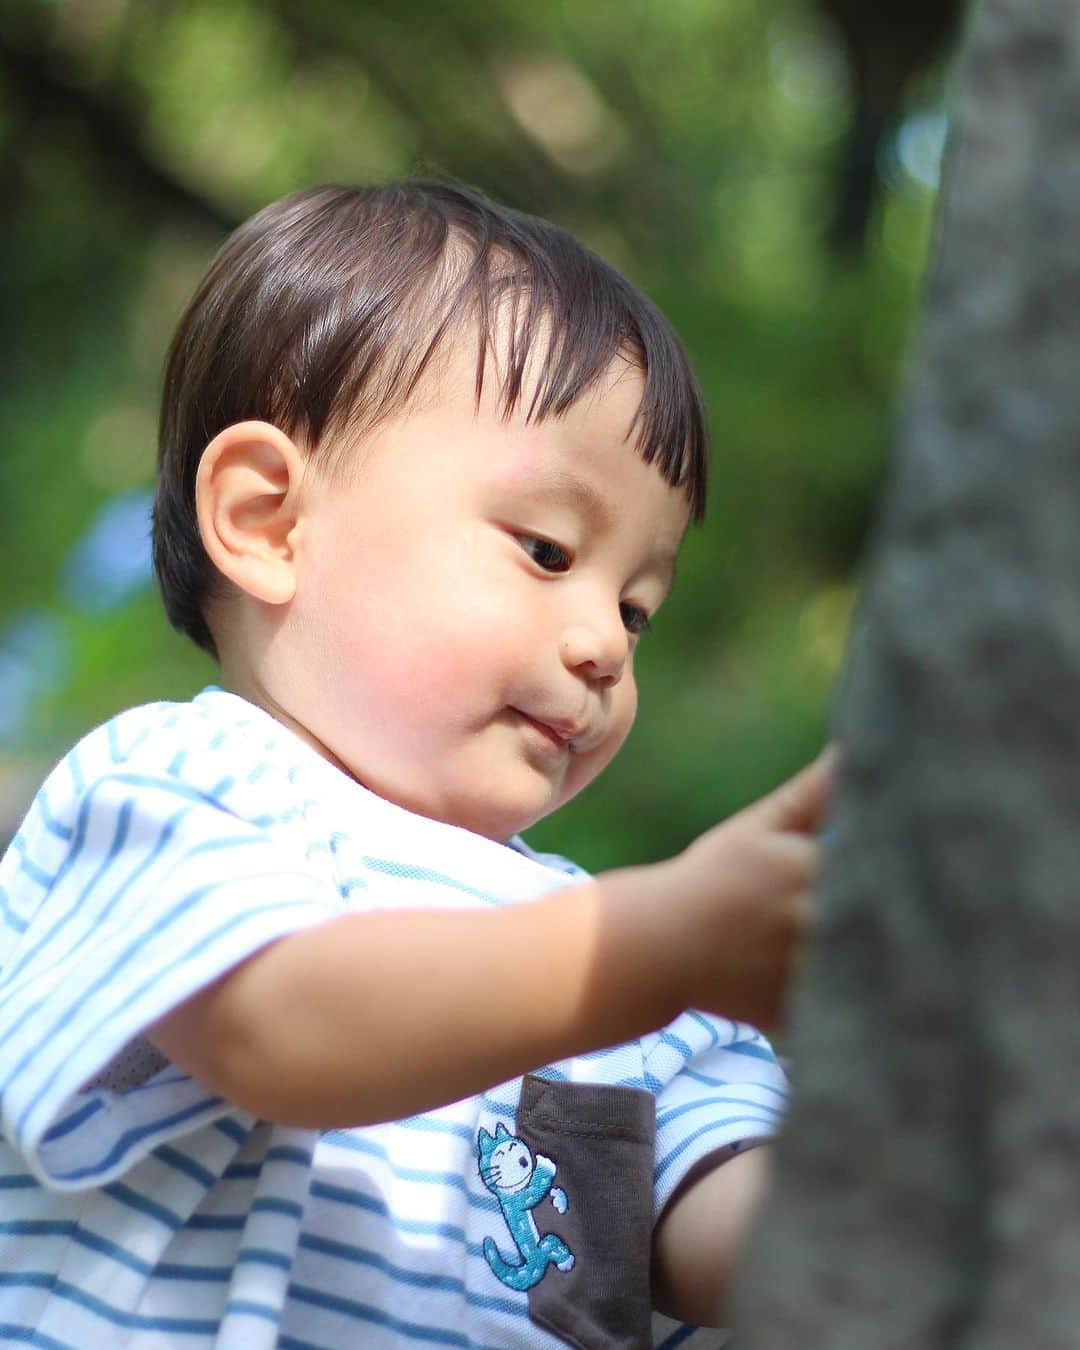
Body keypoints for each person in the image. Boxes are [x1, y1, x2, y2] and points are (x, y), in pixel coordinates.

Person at [0, 180, 830, 1348]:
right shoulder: (177, 786)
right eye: (547, 550)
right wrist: (653, 941)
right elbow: (278, 1028)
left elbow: (768, 1254)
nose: (602, 644)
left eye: (638, 609)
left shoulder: (633, 972)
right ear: (271, 522)